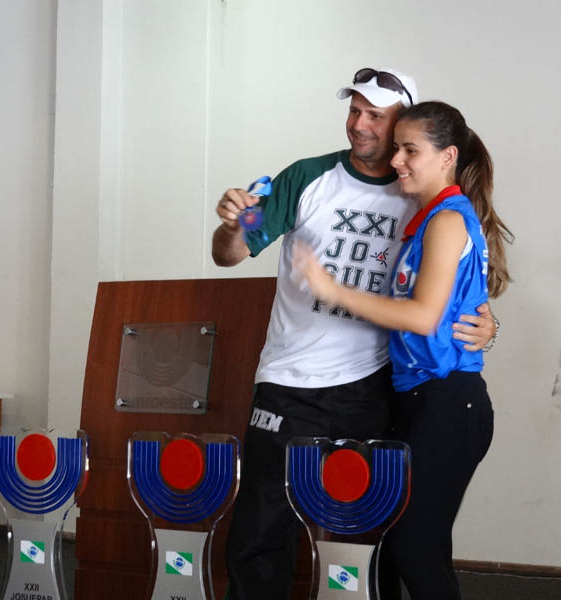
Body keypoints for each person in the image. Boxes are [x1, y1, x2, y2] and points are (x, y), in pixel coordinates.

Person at [212, 69, 498, 600]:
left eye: (376, 116)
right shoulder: (307, 176)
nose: (360, 124)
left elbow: (458, 286)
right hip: (289, 383)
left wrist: (488, 324)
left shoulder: (421, 191)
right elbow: (229, 253)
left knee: (372, 541)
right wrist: (233, 226)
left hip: (375, 388)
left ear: (404, 125)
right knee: (260, 533)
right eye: (354, 110)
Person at [295, 100, 512, 599]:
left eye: (410, 150)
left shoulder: (448, 220)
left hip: (448, 401)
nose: (396, 160)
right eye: (397, 148)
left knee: (414, 547)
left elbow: (423, 316)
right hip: (421, 400)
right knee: (401, 545)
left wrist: (332, 290)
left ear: (447, 156)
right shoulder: (430, 219)